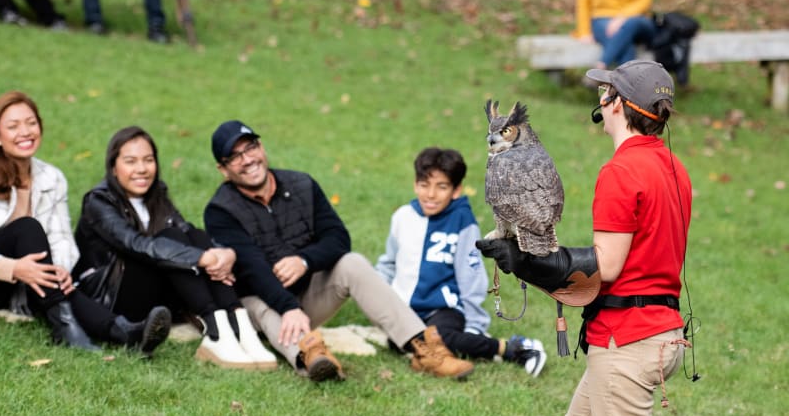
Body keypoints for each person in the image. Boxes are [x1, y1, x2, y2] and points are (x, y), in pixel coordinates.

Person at [478, 60, 692, 416]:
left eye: (604, 91)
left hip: (628, 340)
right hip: (662, 331)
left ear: (615, 105)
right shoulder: (673, 167)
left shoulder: (621, 171)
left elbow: (607, 266)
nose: (600, 98)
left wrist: (527, 261)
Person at [203, 120, 475, 382]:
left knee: (352, 262)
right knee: (260, 304)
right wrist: (288, 307)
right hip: (258, 302)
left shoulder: (301, 184)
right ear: (223, 170)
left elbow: (338, 238)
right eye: (235, 157)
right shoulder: (220, 211)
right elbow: (253, 269)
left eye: (250, 147)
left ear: (261, 147)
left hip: (306, 292)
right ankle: (312, 356)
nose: (247, 159)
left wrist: (304, 261)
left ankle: (423, 347)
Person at [0, 91, 166, 355]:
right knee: (27, 228)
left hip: (25, 286)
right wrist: (15, 268)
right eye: (13, 126)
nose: (25, 132)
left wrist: (59, 268)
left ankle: (124, 332)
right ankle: (66, 328)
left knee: (49, 274)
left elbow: (61, 238)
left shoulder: (52, 178)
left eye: (31, 123)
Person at [73, 126, 277, 370]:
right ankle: (215, 330)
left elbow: (186, 232)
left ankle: (238, 324)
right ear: (113, 167)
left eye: (148, 160)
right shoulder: (98, 201)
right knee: (174, 243)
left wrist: (224, 253)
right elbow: (136, 244)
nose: (142, 169)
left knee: (193, 235)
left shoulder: (156, 192)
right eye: (130, 161)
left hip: (155, 289)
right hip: (113, 296)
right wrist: (201, 258)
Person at [375, 147, 547, 377]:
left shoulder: (463, 223)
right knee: (399, 341)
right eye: (424, 185)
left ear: (456, 190)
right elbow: (388, 264)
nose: (431, 194)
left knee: (441, 338)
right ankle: (439, 349)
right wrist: (377, 299)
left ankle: (515, 348)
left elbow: (471, 276)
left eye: (441, 187)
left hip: (442, 309)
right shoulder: (402, 217)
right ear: (415, 185)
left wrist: (474, 325)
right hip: (406, 309)